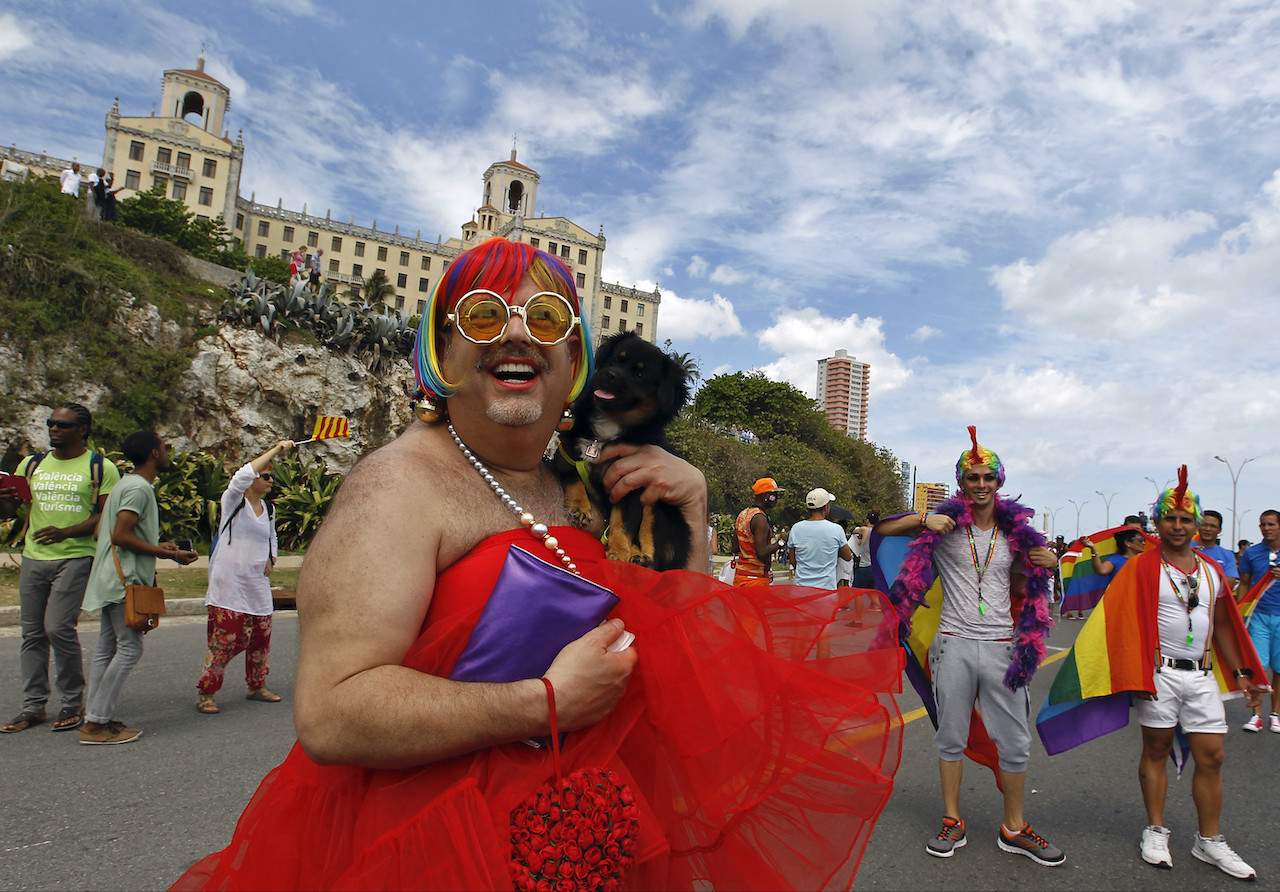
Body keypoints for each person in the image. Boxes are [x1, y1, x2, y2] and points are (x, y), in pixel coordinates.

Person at [172, 236, 903, 891]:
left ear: (574, 360)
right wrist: (545, 703)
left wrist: (689, 508)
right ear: (443, 352)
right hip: (435, 854)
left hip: (587, 842)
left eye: (546, 317)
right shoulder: (397, 485)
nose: (516, 331)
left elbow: (678, 660)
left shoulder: (581, 489)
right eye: (484, 317)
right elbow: (332, 715)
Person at [875, 426, 1064, 866]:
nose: (980, 485)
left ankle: (1014, 827)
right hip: (953, 645)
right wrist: (923, 519)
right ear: (960, 482)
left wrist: (1047, 565)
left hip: (1001, 646)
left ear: (1000, 482)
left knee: (1014, 742)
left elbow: (1020, 585)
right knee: (951, 737)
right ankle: (952, 820)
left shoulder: (1015, 533)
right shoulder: (944, 527)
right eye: (972, 478)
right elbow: (881, 532)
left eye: (988, 478)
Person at [0, 404, 120, 734]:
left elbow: (107, 515)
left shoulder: (101, 467)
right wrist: (7, 498)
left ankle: (71, 699)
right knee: (32, 633)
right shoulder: (32, 463)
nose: (54, 429)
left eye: (63, 425)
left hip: (77, 556)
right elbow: (11, 509)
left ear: (82, 430)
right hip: (35, 556)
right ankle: (33, 706)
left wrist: (67, 531)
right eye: (51, 423)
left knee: (57, 627)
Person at [79, 432, 196, 745]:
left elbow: (118, 533)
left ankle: (96, 716)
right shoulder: (138, 487)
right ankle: (95, 724)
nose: (168, 451)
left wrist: (157, 545)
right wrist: (168, 554)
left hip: (109, 577)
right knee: (130, 648)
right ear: (154, 452)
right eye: (164, 446)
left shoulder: (125, 484)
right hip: (124, 580)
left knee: (107, 648)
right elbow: (120, 534)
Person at [195, 439, 294, 715]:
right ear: (252, 479)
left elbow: (271, 535)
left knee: (261, 636)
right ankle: (207, 691)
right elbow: (241, 476)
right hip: (229, 585)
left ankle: (256, 685)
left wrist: (272, 557)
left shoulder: (270, 509)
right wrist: (276, 449)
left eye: (272, 476)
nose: (271, 480)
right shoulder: (233, 501)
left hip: (256, 584)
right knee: (224, 640)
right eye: (266, 476)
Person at [1237, 509, 1280, 733]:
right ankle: (1256, 716)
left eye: (1271, 524)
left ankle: (1276, 714)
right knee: (1258, 667)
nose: (1266, 528)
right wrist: (1239, 610)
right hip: (1259, 616)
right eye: (1263, 525)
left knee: (1279, 669)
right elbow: (1244, 583)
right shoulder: (1252, 553)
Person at [1066, 527, 1147, 620]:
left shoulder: (1144, 560)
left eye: (1144, 540)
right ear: (1128, 543)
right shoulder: (1116, 559)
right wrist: (1093, 549)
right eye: (1140, 540)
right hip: (1120, 607)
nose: (1143, 543)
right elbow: (1101, 570)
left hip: (1140, 606)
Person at [732, 477, 786, 586]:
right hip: (755, 580)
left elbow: (734, 548)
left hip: (740, 577)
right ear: (765, 496)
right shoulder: (760, 518)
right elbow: (761, 553)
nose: (776, 499)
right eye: (774, 495)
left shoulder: (743, 514)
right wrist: (781, 543)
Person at [1194, 510, 1238, 587]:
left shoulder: (1227, 555)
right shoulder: (1185, 548)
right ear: (1198, 526)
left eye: (1213, 526)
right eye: (1204, 525)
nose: (1208, 529)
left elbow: (1230, 583)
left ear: (1219, 530)